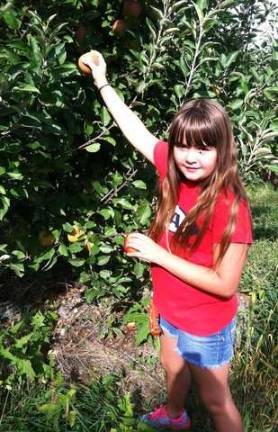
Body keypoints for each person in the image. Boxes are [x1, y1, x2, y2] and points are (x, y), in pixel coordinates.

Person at [83, 51, 253, 432]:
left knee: (216, 400)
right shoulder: (172, 169)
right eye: (182, 146)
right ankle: (175, 416)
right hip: (171, 308)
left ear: (222, 150)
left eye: (203, 148)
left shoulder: (230, 207)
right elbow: (134, 128)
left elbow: (225, 284)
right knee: (172, 370)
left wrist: (158, 254)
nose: (190, 158)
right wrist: (102, 81)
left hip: (205, 322)